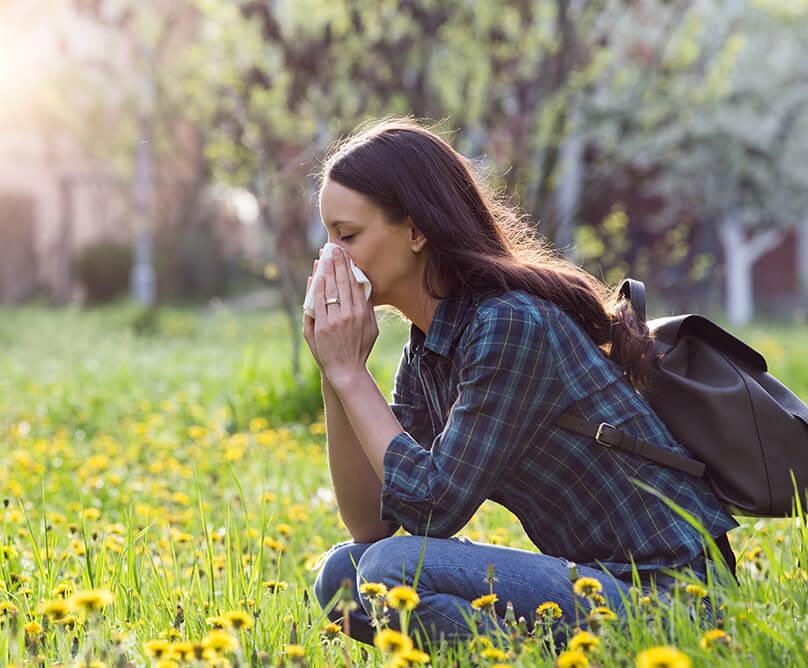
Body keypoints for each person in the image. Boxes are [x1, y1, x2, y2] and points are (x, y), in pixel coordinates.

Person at [303, 116, 738, 649]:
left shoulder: (508, 324)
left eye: (347, 236)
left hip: (675, 599)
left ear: (416, 231)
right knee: (343, 576)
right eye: (327, 237)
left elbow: (433, 509)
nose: (331, 258)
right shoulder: (429, 348)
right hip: (598, 584)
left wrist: (351, 375)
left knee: (391, 571)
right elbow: (371, 523)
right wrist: (335, 374)